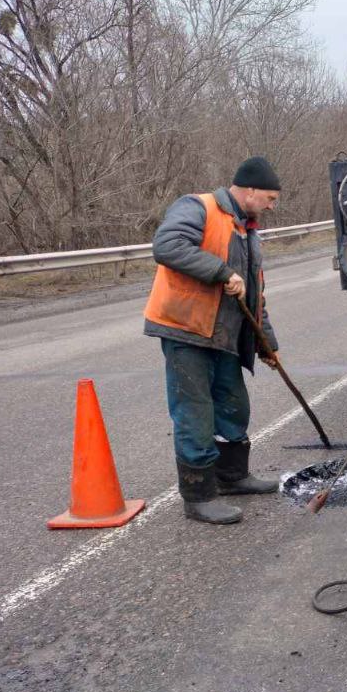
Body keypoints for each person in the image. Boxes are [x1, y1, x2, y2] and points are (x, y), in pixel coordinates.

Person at [143, 157, 283, 525]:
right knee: (195, 412)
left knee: (234, 406)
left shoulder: (247, 231)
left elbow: (253, 295)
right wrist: (221, 272)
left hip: (223, 336)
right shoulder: (198, 207)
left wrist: (267, 344)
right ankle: (198, 495)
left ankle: (232, 476)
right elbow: (167, 245)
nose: (272, 205)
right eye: (269, 197)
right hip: (186, 330)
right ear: (249, 190)